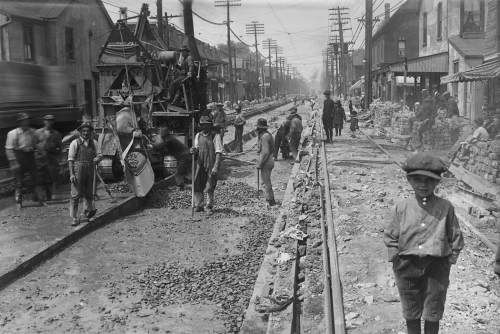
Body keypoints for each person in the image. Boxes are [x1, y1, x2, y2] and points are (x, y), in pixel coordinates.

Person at [384, 152, 464, 334]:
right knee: (410, 309)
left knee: (433, 309)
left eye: (429, 180)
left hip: (437, 265)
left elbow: (455, 235)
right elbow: (391, 235)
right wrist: (395, 257)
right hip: (407, 264)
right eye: (418, 179)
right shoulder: (402, 207)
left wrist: (450, 259)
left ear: (437, 183)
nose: (423, 184)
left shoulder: (445, 207)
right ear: (409, 181)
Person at [5, 113, 44, 209]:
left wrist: (41, 153)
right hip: (19, 157)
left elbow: (37, 144)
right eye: (23, 121)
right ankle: (19, 202)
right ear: (19, 122)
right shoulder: (13, 133)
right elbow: (9, 149)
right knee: (19, 181)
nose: (25, 122)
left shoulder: (32, 132)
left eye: (27, 120)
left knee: (36, 178)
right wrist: (14, 163)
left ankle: (39, 199)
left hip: (30, 157)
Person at [68, 122, 102, 226]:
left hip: (91, 170)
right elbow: (70, 160)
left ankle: (88, 215)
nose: (86, 133)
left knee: (89, 193)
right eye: (84, 131)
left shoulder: (94, 143)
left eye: (88, 131)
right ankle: (74, 217)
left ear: (91, 132)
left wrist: (98, 158)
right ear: (80, 132)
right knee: (75, 195)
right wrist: (72, 174)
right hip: (78, 170)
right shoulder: (75, 143)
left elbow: (100, 155)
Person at [191, 116, 223, 216]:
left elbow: (218, 152)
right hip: (200, 163)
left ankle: (209, 206)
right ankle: (199, 205)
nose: (204, 126)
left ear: (210, 125)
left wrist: (216, 166)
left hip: (210, 163)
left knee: (209, 186)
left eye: (206, 124)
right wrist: (193, 151)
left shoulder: (215, 136)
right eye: (202, 124)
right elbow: (196, 149)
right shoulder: (198, 135)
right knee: (197, 184)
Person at [34, 115, 62, 201]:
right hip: (40, 158)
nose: (50, 122)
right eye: (48, 120)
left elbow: (60, 146)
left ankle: (49, 196)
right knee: (40, 178)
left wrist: (56, 150)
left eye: (51, 121)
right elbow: (33, 144)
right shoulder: (38, 132)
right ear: (44, 121)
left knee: (51, 178)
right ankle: (40, 197)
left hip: (50, 157)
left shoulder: (56, 134)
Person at [256, 118, 275, 206]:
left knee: (266, 181)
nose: (257, 130)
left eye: (258, 128)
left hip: (266, 160)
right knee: (267, 180)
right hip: (269, 159)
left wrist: (260, 163)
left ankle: (269, 200)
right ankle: (272, 199)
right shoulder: (267, 135)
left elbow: (265, 152)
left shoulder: (264, 137)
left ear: (261, 128)